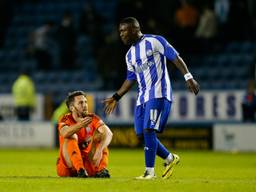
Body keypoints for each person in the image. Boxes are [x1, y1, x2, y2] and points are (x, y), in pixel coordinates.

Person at [104, 17, 200, 180]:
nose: (121, 34)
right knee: (141, 135)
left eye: (124, 30)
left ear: (135, 29)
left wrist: (188, 77)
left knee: (149, 130)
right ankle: (170, 158)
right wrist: (116, 97)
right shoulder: (129, 55)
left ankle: (150, 172)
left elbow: (175, 57)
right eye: (120, 31)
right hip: (142, 98)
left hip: (158, 93)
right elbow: (130, 79)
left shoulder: (155, 41)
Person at [56, 91, 113, 178]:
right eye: (80, 103)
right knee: (71, 136)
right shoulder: (65, 119)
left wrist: (99, 150)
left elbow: (109, 133)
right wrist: (80, 125)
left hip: (87, 162)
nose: (85, 105)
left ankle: (101, 170)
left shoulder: (92, 118)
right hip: (67, 167)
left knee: (101, 137)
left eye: (85, 102)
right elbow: (65, 133)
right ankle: (80, 169)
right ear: (72, 108)